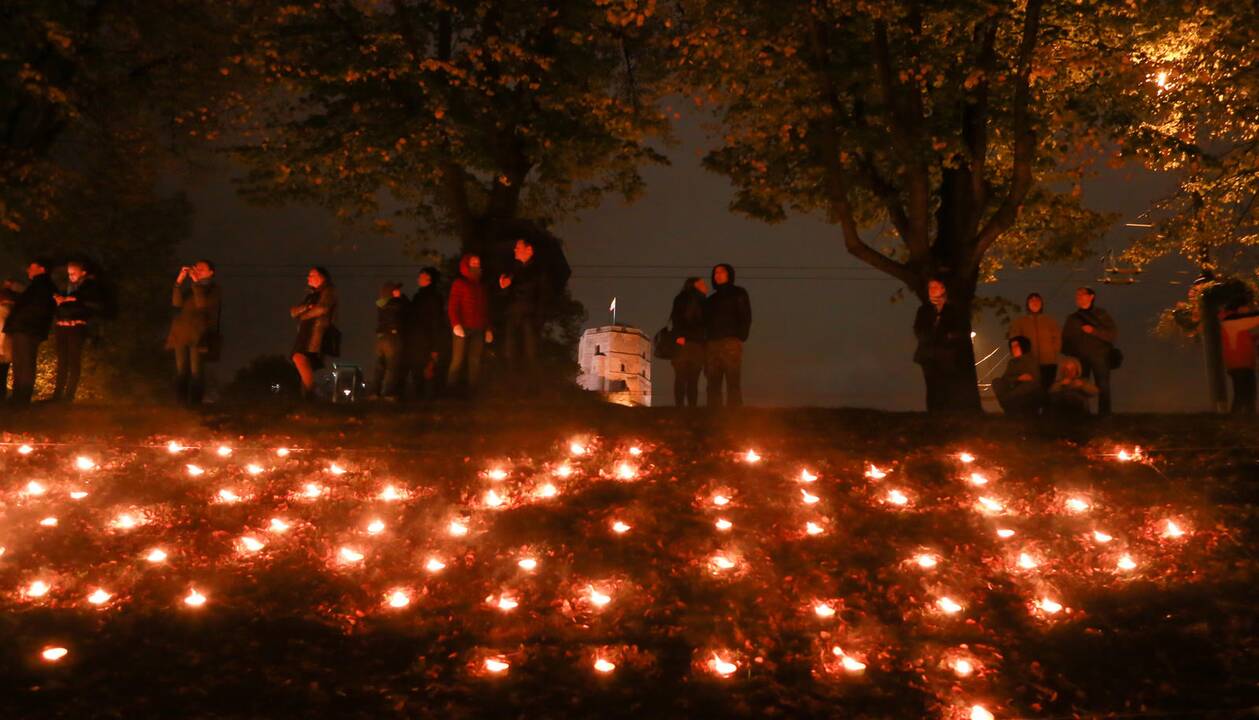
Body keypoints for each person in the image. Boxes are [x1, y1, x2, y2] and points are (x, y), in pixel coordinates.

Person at [913, 278, 977, 413]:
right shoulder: (924, 310)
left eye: (935, 287)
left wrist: (948, 338)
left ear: (943, 289)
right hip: (929, 354)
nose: (932, 290)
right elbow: (919, 330)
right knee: (932, 386)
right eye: (930, 287)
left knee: (946, 385)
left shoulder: (952, 309)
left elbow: (960, 330)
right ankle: (934, 414)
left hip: (947, 354)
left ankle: (946, 414)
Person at [166, 260, 221, 406]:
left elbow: (202, 304)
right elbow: (176, 304)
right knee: (181, 371)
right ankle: (180, 405)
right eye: (196, 267)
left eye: (202, 268)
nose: (197, 270)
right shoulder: (190, 289)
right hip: (181, 333)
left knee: (196, 372)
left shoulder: (213, 289)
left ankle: (195, 406)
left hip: (199, 335)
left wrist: (196, 284)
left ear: (211, 272)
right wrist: (178, 282)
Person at [51, 260, 106, 402]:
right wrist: (59, 300)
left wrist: (72, 300)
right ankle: (57, 395)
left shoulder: (90, 287)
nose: (71, 276)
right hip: (62, 325)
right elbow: (61, 303)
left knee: (74, 360)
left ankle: (69, 395)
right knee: (62, 361)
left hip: (76, 327)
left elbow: (91, 305)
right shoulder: (66, 287)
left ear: (83, 273)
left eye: (73, 273)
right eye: (69, 274)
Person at [6, 258, 57, 405]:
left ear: (42, 269)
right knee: (21, 363)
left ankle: (21, 398)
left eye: (32, 267)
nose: (28, 270)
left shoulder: (42, 286)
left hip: (27, 329)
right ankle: (18, 396)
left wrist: (20, 320)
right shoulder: (38, 286)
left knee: (24, 363)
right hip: (26, 328)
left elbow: (34, 307)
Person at [498, 238, 549, 379]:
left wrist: (539, 319)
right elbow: (507, 294)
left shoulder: (539, 271)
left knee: (530, 353)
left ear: (529, 250)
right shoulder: (513, 269)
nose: (515, 250)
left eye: (518, 247)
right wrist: (504, 287)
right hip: (513, 316)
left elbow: (542, 296)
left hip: (529, 317)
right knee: (510, 351)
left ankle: (531, 388)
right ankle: (512, 385)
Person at [1062, 287, 1118, 415]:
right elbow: (1066, 339)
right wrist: (1070, 358)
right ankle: (1081, 413)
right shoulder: (1073, 318)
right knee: (1079, 385)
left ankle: (1104, 415)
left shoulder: (1101, 314)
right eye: (1077, 295)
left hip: (1100, 357)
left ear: (1091, 297)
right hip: (1080, 358)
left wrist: (1094, 331)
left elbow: (1112, 334)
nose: (1079, 297)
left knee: (1103, 386)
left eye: (1082, 294)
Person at [703, 263, 751, 407]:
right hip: (712, 344)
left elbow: (745, 315)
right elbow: (706, 322)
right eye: (715, 272)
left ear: (729, 274)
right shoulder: (711, 300)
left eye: (721, 271)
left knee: (733, 381)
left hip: (731, 342)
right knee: (713, 383)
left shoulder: (738, 293)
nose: (717, 275)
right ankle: (713, 414)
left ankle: (735, 415)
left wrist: (740, 336)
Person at [290, 266, 338, 399]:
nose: (308, 278)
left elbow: (323, 308)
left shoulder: (328, 291)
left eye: (311, 275)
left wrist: (304, 315)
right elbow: (293, 311)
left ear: (321, 277)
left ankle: (313, 394)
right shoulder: (311, 295)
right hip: (307, 332)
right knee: (305, 364)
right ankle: (307, 398)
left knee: (299, 357)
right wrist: (307, 307)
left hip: (317, 332)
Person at [447, 253, 491, 395]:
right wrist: (456, 324)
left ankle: (473, 392)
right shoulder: (459, 284)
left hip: (478, 329)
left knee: (475, 361)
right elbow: (453, 306)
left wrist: (488, 329)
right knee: (458, 360)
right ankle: (451, 391)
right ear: (466, 265)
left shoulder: (481, 287)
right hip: (462, 328)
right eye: (473, 263)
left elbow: (485, 309)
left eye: (478, 264)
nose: (476, 266)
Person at [402, 267, 444, 401]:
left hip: (425, 340)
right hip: (418, 340)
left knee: (425, 371)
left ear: (428, 279)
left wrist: (435, 347)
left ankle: (426, 400)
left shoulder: (432, 298)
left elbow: (436, 321)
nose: (418, 279)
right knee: (418, 371)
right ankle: (421, 400)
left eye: (421, 276)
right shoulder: (419, 296)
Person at [1008, 292, 1061, 389]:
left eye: (1037, 300)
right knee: (1031, 390)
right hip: (1028, 364)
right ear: (1027, 304)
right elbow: (1015, 341)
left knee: (1047, 390)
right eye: (1031, 300)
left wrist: (1053, 353)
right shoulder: (1020, 322)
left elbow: (1057, 339)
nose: (1035, 302)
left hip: (1048, 363)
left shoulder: (1050, 321)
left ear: (1041, 304)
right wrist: (1022, 359)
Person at [669, 276, 707, 407]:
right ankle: (689, 407)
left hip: (687, 342)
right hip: (690, 342)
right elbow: (678, 318)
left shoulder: (683, 298)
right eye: (702, 283)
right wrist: (680, 336)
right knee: (691, 378)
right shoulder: (694, 300)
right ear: (694, 285)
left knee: (684, 377)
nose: (705, 285)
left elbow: (676, 319)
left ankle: (682, 407)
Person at [1219, 302, 1259, 414]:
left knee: (1245, 394)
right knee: (1244, 395)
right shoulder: (1232, 321)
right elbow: (1254, 320)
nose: (1251, 309)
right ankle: (1238, 420)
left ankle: (1241, 420)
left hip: (1242, 363)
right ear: (1240, 307)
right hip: (1240, 363)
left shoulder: (1232, 322)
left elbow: (1243, 340)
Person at [370, 281, 407, 399]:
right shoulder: (396, 303)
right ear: (391, 292)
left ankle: (374, 392)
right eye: (396, 290)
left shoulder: (381, 305)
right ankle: (389, 393)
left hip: (381, 337)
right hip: (392, 337)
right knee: (393, 366)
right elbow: (405, 311)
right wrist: (402, 299)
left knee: (379, 366)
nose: (399, 292)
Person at [992, 336, 1046, 416]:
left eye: (1016, 346)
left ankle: (1008, 399)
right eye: (1012, 346)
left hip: (1027, 389)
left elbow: (1034, 379)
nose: (1014, 349)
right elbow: (1005, 378)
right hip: (1013, 386)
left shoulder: (1030, 360)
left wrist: (1023, 379)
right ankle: (1008, 400)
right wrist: (1017, 378)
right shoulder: (1012, 363)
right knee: (996, 382)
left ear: (1023, 346)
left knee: (1029, 385)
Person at [0, 286, 16, 399]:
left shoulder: (2, 313)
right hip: (7, 351)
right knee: (3, 375)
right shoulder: (14, 313)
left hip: (2, 350)